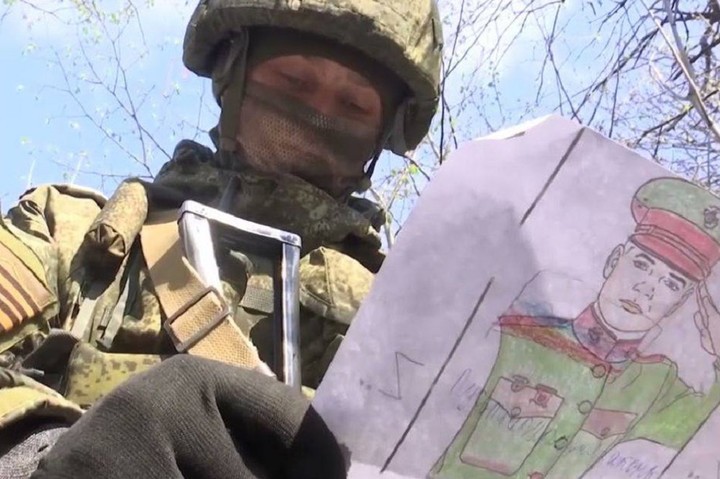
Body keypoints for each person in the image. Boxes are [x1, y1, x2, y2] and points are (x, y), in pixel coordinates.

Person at [0, 0, 443, 476]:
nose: (318, 114)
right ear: (234, 73)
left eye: (353, 105)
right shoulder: (70, 235)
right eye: (294, 81)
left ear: (383, 132)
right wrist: (52, 454)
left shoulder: (413, 324)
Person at [430, 177, 720, 479]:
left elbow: (702, 434)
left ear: (679, 302)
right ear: (614, 261)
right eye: (642, 265)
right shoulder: (519, 337)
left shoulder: (653, 383)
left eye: (671, 283)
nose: (646, 289)